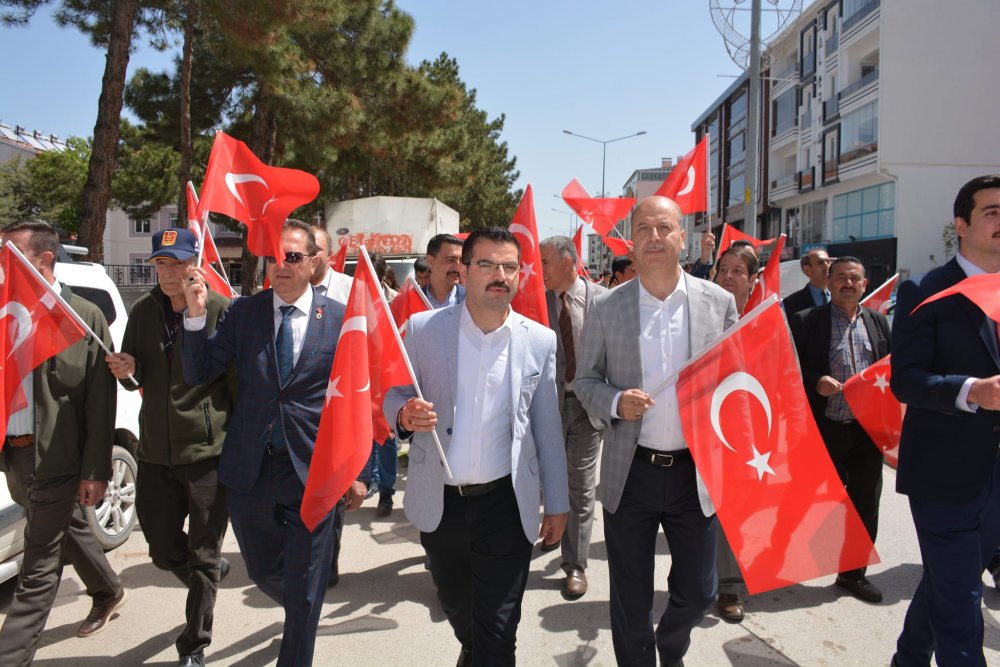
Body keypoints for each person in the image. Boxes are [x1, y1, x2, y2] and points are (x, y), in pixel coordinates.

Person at [181, 219, 368, 667]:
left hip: (313, 470)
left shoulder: (340, 319)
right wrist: (195, 313)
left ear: (314, 262)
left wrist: (354, 471)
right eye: (273, 257)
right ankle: (302, 606)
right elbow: (199, 370)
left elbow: (358, 399)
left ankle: (300, 627)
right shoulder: (244, 313)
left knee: (306, 584)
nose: (280, 265)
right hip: (251, 468)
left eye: (292, 256)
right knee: (264, 570)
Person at [385, 227, 569, 666]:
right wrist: (404, 414)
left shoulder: (539, 340)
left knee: (500, 632)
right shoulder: (424, 330)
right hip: (442, 504)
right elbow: (394, 394)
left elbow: (547, 426)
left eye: (509, 266)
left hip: (507, 504)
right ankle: (474, 647)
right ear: (464, 271)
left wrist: (558, 504)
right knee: (459, 607)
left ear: (520, 275)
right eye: (486, 264)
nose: (499, 275)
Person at [574, 196, 738, 666]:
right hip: (632, 472)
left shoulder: (718, 303)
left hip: (694, 473)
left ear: (683, 238)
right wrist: (615, 402)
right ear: (631, 241)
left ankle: (669, 646)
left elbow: (736, 378)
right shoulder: (608, 307)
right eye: (643, 228)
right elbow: (585, 381)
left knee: (700, 590)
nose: (654, 237)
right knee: (630, 598)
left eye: (664, 227)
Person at [105, 228, 232, 667]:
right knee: (161, 549)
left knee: (203, 554)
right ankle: (208, 574)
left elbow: (235, 383)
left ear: (195, 263)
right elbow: (135, 375)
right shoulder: (143, 311)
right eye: (161, 263)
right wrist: (127, 369)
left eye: (177, 263)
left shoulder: (220, 309)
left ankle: (194, 644)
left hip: (206, 453)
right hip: (156, 451)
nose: (169, 272)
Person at [0, 221, 124, 665]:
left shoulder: (82, 317)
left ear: (44, 260)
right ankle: (108, 589)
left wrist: (95, 470)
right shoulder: (6, 313)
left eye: (11, 256)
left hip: (58, 458)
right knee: (64, 527)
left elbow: (99, 405)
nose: (3, 264)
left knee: (39, 565)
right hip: (14, 456)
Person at [891, 175, 1000, 666]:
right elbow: (906, 380)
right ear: (961, 224)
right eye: (992, 212)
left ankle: (908, 659)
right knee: (961, 603)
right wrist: (972, 391)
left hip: (996, 478)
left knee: (947, 580)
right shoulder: (925, 290)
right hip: (945, 476)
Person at [791, 256, 889, 604]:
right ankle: (773, 557)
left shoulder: (877, 322)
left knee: (865, 504)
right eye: (841, 277)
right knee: (802, 502)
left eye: (855, 278)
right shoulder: (807, 320)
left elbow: (888, 369)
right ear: (829, 283)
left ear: (864, 284)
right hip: (822, 429)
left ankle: (853, 573)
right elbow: (788, 367)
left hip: (865, 432)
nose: (848, 283)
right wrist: (815, 381)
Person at [539, 235, 607, 600]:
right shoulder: (537, 303)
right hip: (547, 406)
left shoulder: (603, 301)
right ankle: (553, 528)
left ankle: (575, 565)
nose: (540, 270)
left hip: (586, 407)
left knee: (580, 486)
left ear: (568, 262)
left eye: (545, 263)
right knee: (550, 479)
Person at [709, 242, 761, 623]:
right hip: (702, 427)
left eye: (737, 271)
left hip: (749, 432)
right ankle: (696, 582)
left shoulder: (764, 321)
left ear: (752, 280)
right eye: (722, 269)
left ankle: (729, 587)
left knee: (736, 512)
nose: (727, 277)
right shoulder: (700, 314)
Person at [311, 225, 354, 304]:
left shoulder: (352, 286)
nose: (310, 253)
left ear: (329, 255)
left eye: (317, 249)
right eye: (306, 248)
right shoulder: (289, 286)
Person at [783, 248, 833, 315]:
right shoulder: (792, 302)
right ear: (807, 270)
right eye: (820, 263)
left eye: (828, 262)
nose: (827, 266)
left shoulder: (841, 295)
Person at [423, 233, 465, 308]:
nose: (458, 267)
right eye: (451, 260)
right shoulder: (411, 299)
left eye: (461, 260)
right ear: (430, 261)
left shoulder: (472, 300)